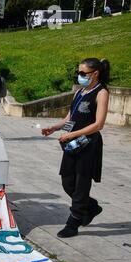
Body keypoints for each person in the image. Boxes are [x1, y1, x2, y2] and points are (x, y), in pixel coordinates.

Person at [41, 58, 110, 238]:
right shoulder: (79, 92)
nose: (80, 76)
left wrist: (72, 134)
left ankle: (74, 221)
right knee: (67, 180)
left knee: (81, 183)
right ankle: (91, 206)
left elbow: (99, 124)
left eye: (83, 73)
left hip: (88, 143)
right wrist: (54, 128)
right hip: (73, 144)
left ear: (95, 74)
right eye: (78, 73)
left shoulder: (101, 93)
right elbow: (69, 118)